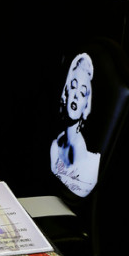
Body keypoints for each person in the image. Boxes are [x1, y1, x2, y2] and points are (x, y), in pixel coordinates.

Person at [50, 53, 100, 198]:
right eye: (73, 86)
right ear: (66, 93)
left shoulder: (92, 164)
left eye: (83, 92)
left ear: (86, 105)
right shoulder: (54, 148)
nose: (76, 95)